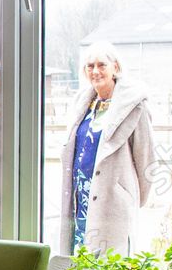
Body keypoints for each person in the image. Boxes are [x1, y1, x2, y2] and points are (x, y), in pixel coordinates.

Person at [57, 42, 156, 255]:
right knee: (80, 261)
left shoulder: (134, 106)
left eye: (102, 65)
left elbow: (146, 157)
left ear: (116, 68)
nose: (95, 71)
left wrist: (129, 196)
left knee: (107, 266)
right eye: (90, 66)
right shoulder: (83, 104)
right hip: (81, 195)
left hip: (112, 201)